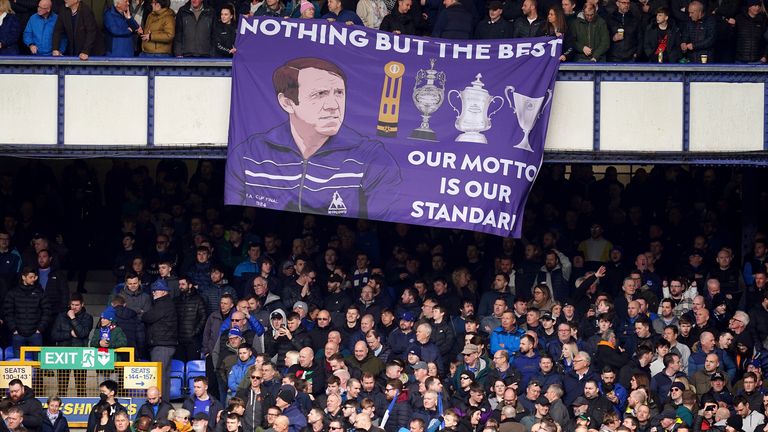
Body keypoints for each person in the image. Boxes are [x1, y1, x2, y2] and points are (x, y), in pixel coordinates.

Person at [225, 57, 402, 220]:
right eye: (320, 94)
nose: (333, 106)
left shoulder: (372, 157)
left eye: (339, 93)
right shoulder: (248, 154)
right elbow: (236, 218)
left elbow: (382, 222)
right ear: (287, 103)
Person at [142, 279, 178, 402]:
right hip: (166, 344)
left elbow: (149, 317)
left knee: (159, 376)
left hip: (162, 344)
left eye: (155, 290)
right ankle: (164, 402)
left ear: (163, 292)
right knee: (163, 376)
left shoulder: (162, 303)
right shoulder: (166, 303)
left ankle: (162, 403)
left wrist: (143, 314)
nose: (153, 293)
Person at [4, 267, 51, 358]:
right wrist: (14, 329)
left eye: (34, 277)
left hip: (35, 334)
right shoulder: (13, 293)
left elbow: (47, 311)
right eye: (30, 277)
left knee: (38, 364)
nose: (33, 279)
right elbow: (8, 312)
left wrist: (40, 329)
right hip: (18, 334)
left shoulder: (40, 292)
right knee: (19, 365)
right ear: (23, 277)